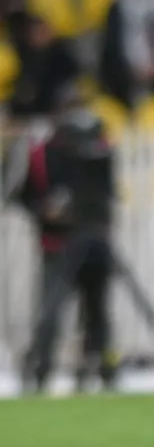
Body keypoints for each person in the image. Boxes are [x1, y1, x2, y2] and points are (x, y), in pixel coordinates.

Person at [13, 87, 118, 394]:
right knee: (50, 312)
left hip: (95, 243)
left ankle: (97, 367)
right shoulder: (41, 152)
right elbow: (23, 196)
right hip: (56, 245)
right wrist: (45, 210)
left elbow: (106, 193)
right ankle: (41, 369)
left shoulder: (101, 148)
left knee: (96, 311)